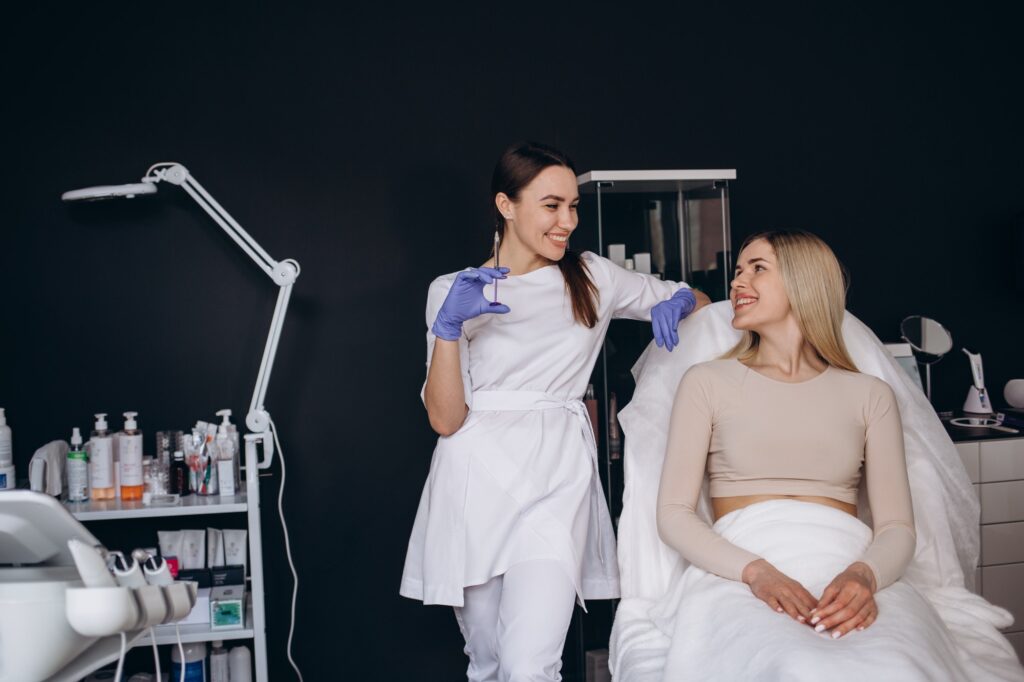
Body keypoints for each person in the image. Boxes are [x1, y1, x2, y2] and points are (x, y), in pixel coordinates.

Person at [622, 230, 1024, 680]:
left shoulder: (869, 394)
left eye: (757, 269)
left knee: (898, 667)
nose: (737, 283)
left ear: (804, 283)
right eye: (737, 271)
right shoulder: (706, 383)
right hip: (742, 567)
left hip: (846, 564)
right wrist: (757, 573)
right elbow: (674, 513)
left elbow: (896, 527)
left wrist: (864, 577)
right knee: (795, 665)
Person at [400, 141, 709, 681]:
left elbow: (697, 299)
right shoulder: (451, 291)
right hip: (475, 481)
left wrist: (678, 300)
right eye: (552, 205)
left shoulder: (592, 278)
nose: (568, 221)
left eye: (574, 206)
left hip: (554, 479)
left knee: (530, 664)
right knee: (489, 662)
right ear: (506, 205)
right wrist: (448, 328)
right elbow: (446, 420)